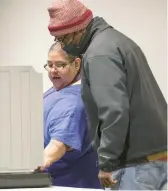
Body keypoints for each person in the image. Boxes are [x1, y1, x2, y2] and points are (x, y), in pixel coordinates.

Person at [46, 0, 167, 190]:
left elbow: (114, 111)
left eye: (63, 39)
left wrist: (107, 163)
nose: (62, 45)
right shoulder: (115, 40)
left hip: (135, 163)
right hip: (153, 158)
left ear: (77, 30)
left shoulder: (98, 54)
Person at [40, 42, 101, 189]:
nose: (53, 71)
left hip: (70, 185)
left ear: (77, 64)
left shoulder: (73, 103)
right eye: (49, 64)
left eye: (60, 65)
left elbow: (58, 145)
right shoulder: (59, 89)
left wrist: (29, 168)